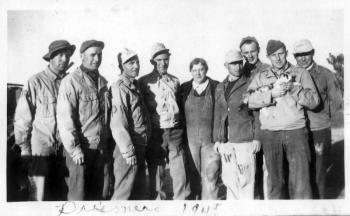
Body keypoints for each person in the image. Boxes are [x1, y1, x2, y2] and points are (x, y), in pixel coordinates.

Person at [247, 40, 320, 199]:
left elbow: (315, 102)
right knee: (275, 183)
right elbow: (248, 100)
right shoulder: (260, 77)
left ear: (286, 53)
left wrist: (294, 88)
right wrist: (270, 95)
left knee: (301, 182)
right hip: (271, 134)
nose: (278, 58)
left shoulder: (300, 73)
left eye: (281, 54)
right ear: (268, 57)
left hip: (296, 132)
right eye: (273, 55)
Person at [14, 40, 76, 201]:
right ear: (51, 58)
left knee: (63, 196)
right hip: (41, 150)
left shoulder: (70, 83)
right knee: (39, 197)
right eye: (60, 55)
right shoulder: (35, 82)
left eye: (67, 55)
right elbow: (22, 119)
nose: (65, 59)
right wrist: (24, 148)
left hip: (65, 150)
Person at [57, 40, 110, 200]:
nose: (96, 59)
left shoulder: (103, 82)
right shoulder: (71, 81)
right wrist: (75, 149)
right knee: (78, 197)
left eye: (99, 55)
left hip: (100, 149)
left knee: (98, 196)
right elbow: (65, 119)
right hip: (81, 150)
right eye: (92, 54)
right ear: (81, 56)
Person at [293, 39, 343, 199]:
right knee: (300, 171)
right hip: (297, 129)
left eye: (306, 54)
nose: (302, 58)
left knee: (319, 170)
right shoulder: (291, 74)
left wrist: (321, 116)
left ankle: (319, 206)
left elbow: (336, 101)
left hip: (318, 129)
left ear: (312, 53)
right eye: (299, 55)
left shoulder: (325, 74)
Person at [139, 42, 189, 200]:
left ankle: (183, 205)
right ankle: (158, 206)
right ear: (152, 62)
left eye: (166, 59)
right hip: (156, 132)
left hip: (174, 132)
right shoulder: (144, 82)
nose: (163, 63)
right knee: (157, 173)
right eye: (159, 60)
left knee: (180, 172)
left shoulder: (175, 81)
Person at [213, 50, 260, 199]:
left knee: (246, 179)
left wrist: (257, 138)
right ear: (226, 65)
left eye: (240, 63)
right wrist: (218, 139)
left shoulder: (250, 83)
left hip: (245, 139)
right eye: (233, 64)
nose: (238, 67)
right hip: (226, 141)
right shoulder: (221, 86)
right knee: (229, 179)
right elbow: (218, 114)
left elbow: (258, 113)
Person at [109, 48, 151, 200]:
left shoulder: (135, 86)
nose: (136, 66)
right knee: (123, 194)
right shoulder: (119, 88)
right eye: (131, 63)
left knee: (137, 194)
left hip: (138, 146)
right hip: (127, 149)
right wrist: (128, 151)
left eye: (138, 62)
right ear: (121, 66)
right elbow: (118, 123)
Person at [180, 58, 220, 199]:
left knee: (211, 175)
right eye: (194, 70)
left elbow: (221, 114)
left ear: (206, 70)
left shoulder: (216, 86)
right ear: (190, 71)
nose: (198, 73)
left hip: (211, 140)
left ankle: (210, 208)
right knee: (193, 175)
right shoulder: (184, 88)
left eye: (201, 70)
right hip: (191, 141)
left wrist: (219, 138)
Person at [240, 36, 270, 199]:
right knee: (250, 170)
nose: (250, 55)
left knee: (266, 169)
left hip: (263, 122)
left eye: (252, 51)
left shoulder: (267, 69)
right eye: (246, 53)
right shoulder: (240, 70)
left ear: (258, 50)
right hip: (246, 127)